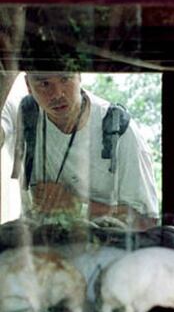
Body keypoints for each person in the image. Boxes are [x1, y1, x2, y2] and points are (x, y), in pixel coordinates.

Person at [0, 71, 159, 229]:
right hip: (40, 248)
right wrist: (8, 73)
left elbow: (146, 222)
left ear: (79, 76)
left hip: (105, 249)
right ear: (28, 85)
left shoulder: (120, 130)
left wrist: (77, 207)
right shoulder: (20, 113)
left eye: (65, 79)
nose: (57, 94)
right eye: (44, 83)